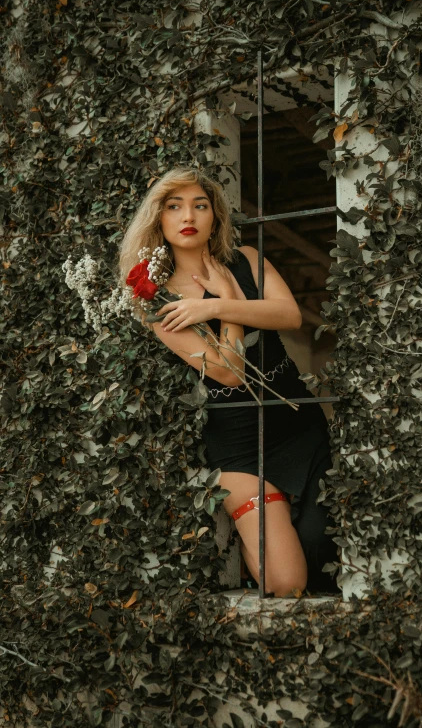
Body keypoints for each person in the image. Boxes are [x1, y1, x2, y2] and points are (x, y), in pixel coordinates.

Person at [119, 167, 339, 598]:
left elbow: (289, 316)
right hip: (237, 443)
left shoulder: (249, 260)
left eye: (200, 206)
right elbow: (228, 372)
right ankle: (264, 535)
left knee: (320, 540)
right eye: (174, 206)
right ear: (159, 219)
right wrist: (228, 309)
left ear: (215, 217)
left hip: (296, 422)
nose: (189, 216)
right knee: (287, 583)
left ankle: (286, 528)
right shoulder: (153, 298)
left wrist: (221, 303)